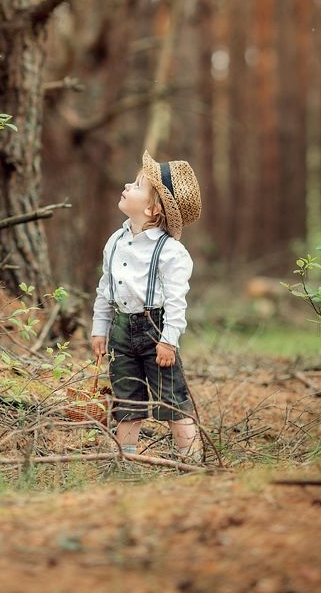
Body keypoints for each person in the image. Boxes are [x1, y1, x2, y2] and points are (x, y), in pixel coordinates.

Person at [91, 149, 203, 462]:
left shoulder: (171, 252)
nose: (127, 185)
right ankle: (125, 459)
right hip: (121, 330)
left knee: (172, 400)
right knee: (126, 400)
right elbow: (105, 289)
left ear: (153, 210)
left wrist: (169, 340)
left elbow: (176, 302)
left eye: (137, 185)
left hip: (156, 331)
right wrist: (100, 329)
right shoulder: (116, 240)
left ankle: (191, 460)